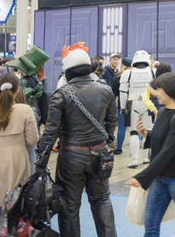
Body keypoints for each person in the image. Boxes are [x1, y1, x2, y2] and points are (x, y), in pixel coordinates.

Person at [36, 48, 117, 237]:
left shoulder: (61, 94)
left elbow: (50, 133)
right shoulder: (106, 90)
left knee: (69, 206)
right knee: (102, 200)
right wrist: (108, 140)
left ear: (68, 71)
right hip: (100, 154)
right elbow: (112, 121)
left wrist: (41, 162)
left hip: (71, 158)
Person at [126, 72, 175, 237]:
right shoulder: (161, 113)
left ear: (171, 91)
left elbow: (167, 151)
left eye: (159, 89)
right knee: (151, 224)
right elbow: (163, 140)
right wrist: (147, 134)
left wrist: (142, 177)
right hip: (160, 175)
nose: (156, 94)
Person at [0, 73, 40, 225]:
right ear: (17, 90)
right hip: (17, 166)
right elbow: (33, 140)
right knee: (16, 214)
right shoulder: (25, 110)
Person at [119, 50, 155, 168]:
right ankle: (145, 157)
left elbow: (123, 92)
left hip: (133, 103)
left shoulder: (127, 73)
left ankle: (135, 159)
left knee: (134, 132)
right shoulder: (152, 71)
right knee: (148, 131)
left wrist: (123, 107)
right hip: (148, 104)